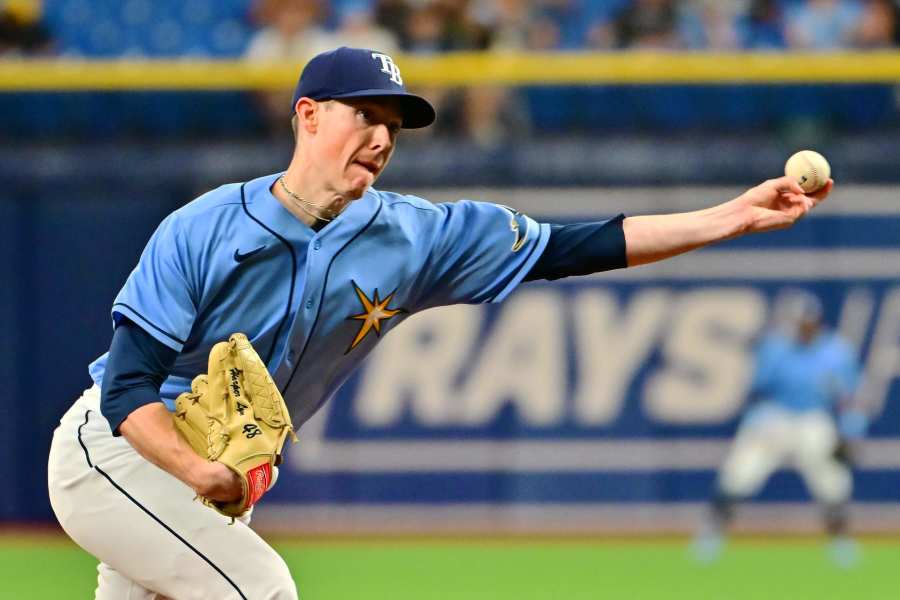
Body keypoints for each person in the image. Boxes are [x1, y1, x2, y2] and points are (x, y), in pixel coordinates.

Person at [47, 46, 832, 599]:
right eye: (366, 114)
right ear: (309, 116)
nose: (383, 137)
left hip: (207, 483)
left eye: (396, 123)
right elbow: (126, 391)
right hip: (114, 457)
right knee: (261, 590)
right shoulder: (206, 227)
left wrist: (730, 217)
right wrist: (200, 475)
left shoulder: (413, 236)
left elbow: (574, 247)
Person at [693, 291, 867, 567]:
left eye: (807, 321)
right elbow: (758, 391)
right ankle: (712, 536)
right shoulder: (775, 347)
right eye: (797, 322)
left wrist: (850, 431)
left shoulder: (836, 352)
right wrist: (754, 420)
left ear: (817, 321)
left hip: (812, 417)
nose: (802, 327)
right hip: (774, 417)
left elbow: (849, 398)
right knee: (739, 475)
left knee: (833, 482)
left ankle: (840, 542)